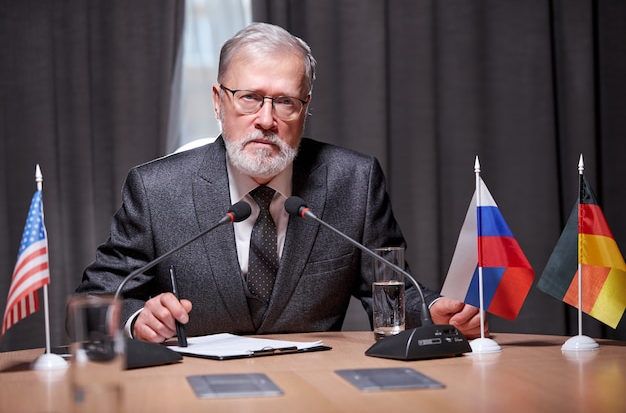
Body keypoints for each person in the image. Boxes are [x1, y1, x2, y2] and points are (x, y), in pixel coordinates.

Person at [73, 22, 486, 343]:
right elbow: (95, 299)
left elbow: (391, 290)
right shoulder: (156, 189)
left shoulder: (353, 181)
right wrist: (135, 320)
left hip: (317, 389)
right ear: (218, 102)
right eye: (249, 97)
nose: (267, 120)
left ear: (305, 109)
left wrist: (432, 311)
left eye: (285, 101)